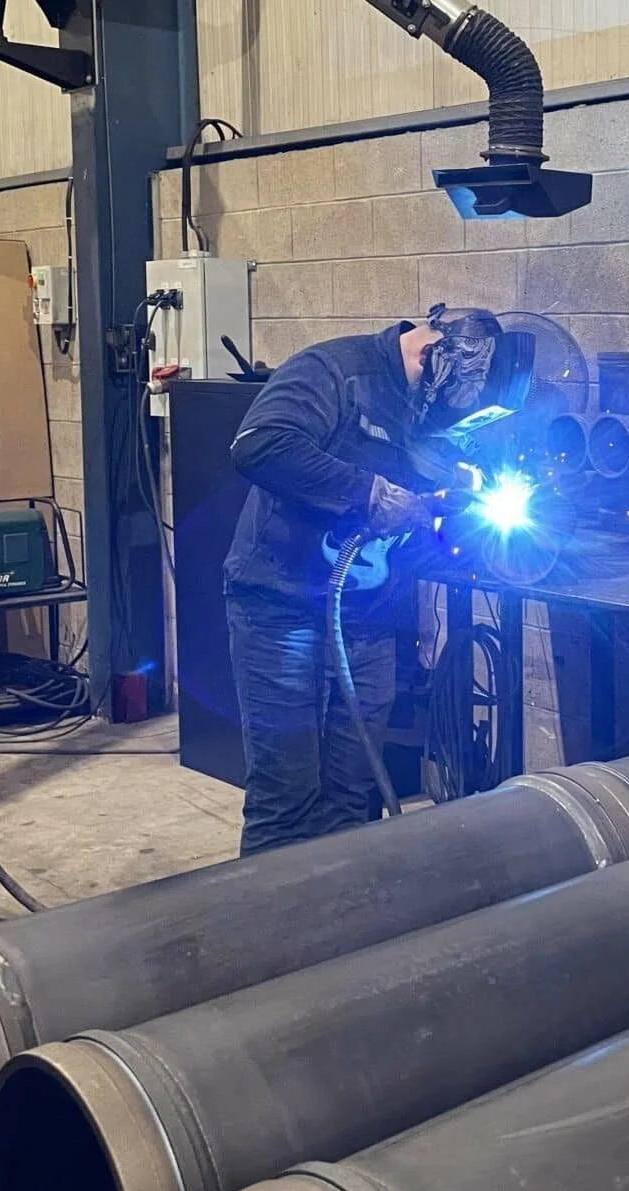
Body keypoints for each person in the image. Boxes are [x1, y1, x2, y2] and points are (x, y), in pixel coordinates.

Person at [223, 305, 524, 856]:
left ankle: (340, 930)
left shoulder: (428, 403)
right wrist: (367, 494)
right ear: (435, 356)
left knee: (351, 796)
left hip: (368, 618)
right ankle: (268, 934)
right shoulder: (335, 371)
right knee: (285, 797)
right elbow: (259, 445)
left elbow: (436, 479)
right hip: (281, 611)